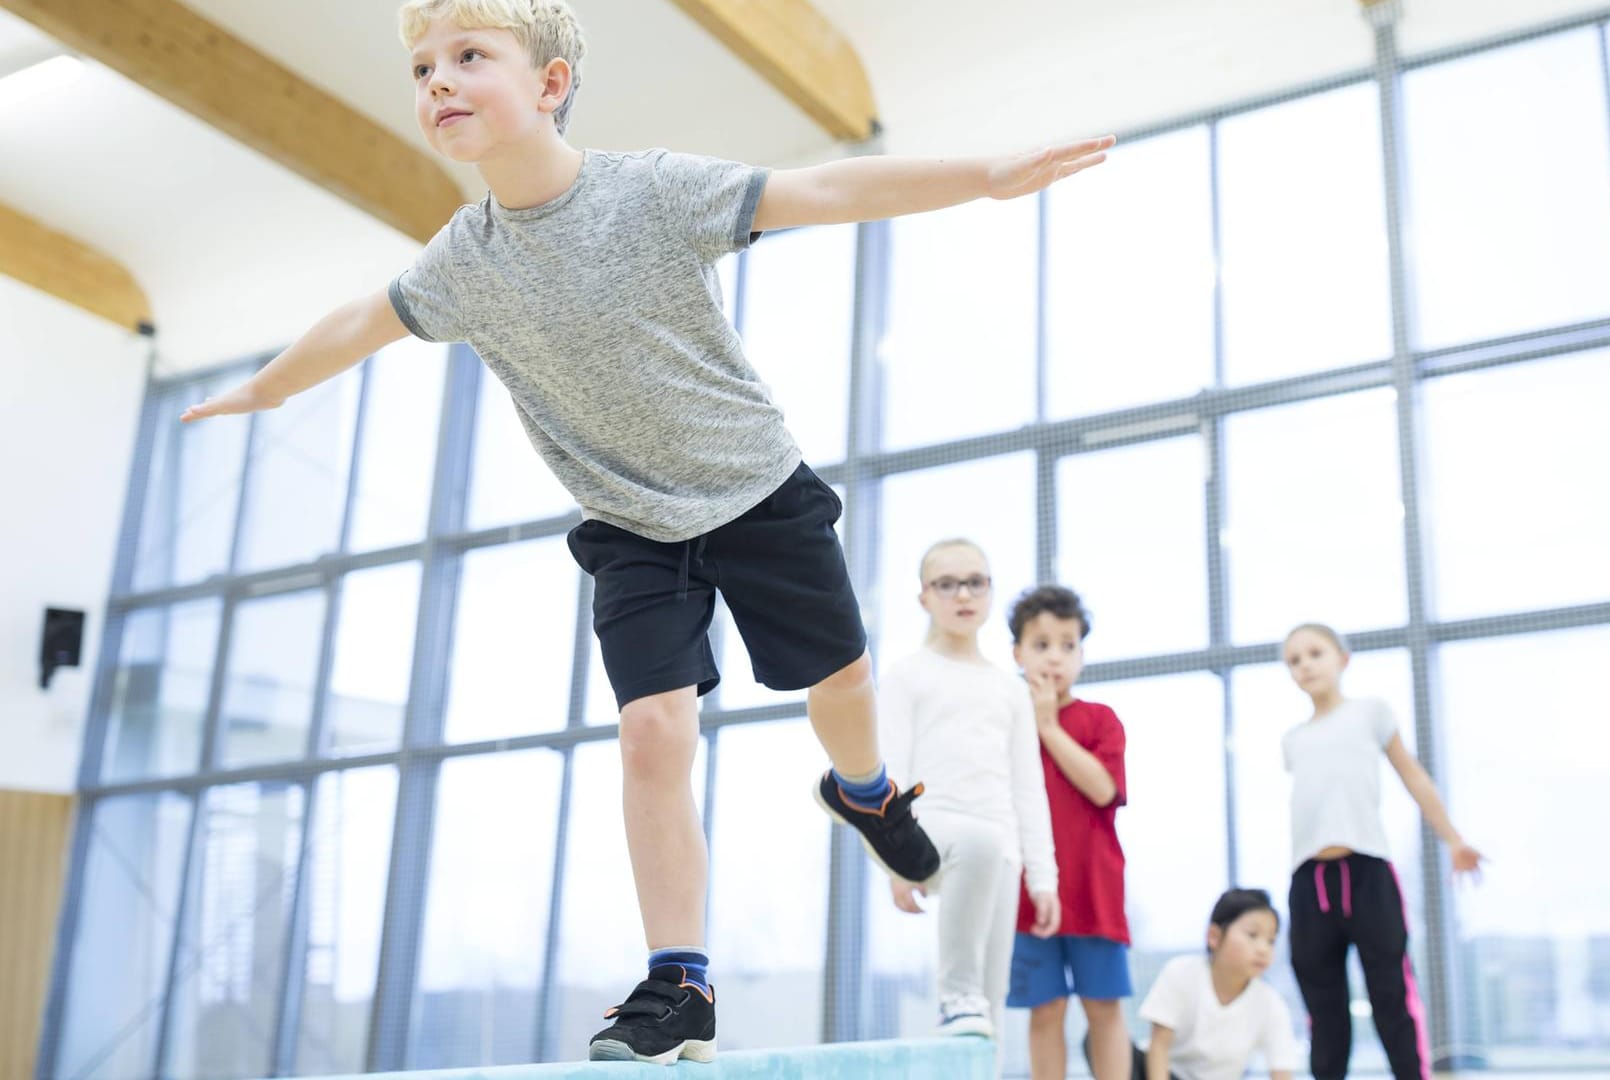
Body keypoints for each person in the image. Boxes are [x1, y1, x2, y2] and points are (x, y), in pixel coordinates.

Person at [179, 0, 1111, 1062]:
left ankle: (865, 794)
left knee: (841, 691)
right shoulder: (462, 259)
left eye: (468, 56)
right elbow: (361, 319)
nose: (437, 79)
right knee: (652, 732)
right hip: (629, 525)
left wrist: (984, 178)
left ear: (549, 85)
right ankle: (681, 982)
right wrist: (265, 388)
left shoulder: (651, 190)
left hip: (755, 489)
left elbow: (828, 188)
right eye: (425, 66)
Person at [1280, 623, 1484, 1080]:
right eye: (1294, 660)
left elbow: (1412, 775)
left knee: (1391, 996)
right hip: (1308, 883)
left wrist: (1452, 838)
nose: (1305, 665)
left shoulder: (1371, 713)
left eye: (1315, 653)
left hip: (1369, 873)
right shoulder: (1292, 739)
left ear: (1342, 658)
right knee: (1324, 1009)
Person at [879, 539, 1061, 1050]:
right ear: (924, 597)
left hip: (1000, 847)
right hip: (928, 833)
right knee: (966, 997)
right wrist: (892, 862)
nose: (963, 594)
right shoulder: (906, 674)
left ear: (989, 591)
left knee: (989, 1007)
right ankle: (952, 993)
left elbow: (1028, 788)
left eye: (975, 582)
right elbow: (889, 775)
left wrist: (1043, 879)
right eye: (947, 583)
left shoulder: (1010, 689)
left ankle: (970, 1016)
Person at [1002, 585, 1133, 1080]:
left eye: (1067, 644)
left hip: (1095, 888)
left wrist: (1049, 727)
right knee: (1046, 1009)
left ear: (1081, 653)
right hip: (1025, 892)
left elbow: (1102, 789)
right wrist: (1031, 720)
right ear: (1017, 653)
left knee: (1104, 1007)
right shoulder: (1005, 722)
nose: (1055, 657)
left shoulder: (1101, 720)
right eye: (1041, 645)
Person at [1136, 888, 1297, 1080]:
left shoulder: (1271, 1003)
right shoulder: (1180, 972)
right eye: (1253, 935)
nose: (1263, 949)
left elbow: (1282, 1072)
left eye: (1271, 941)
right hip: (1161, 1074)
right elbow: (1159, 1046)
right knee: (1106, 1044)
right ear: (1214, 936)